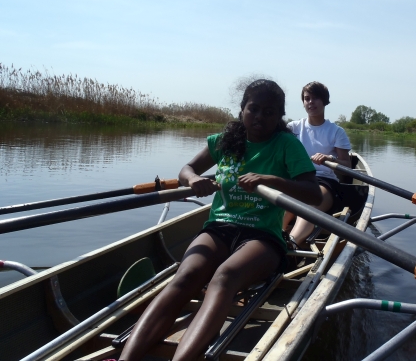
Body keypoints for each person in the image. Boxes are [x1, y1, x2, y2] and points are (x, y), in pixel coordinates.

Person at [118, 79, 321, 361]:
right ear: (242, 110)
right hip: (219, 228)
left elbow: (313, 193)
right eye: (254, 109)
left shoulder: (286, 145)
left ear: (279, 117)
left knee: (223, 278)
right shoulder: (225, 141)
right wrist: (194, 180)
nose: (260, 117)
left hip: (262, 237)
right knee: (186, 275)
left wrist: (272, 180)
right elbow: (186, 169)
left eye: (269, 112)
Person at [284, 81, 352, 247]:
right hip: (297, 179)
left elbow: (348, 168)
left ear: (324, 101)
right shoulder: (293, 128)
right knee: (282, 202)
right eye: (307, 98)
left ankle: (292, 243)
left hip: (324, 182)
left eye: (315, 98)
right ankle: (274, 237)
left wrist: (330, 159)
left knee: (309, 203)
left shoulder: (336, 131)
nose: (310, 102)